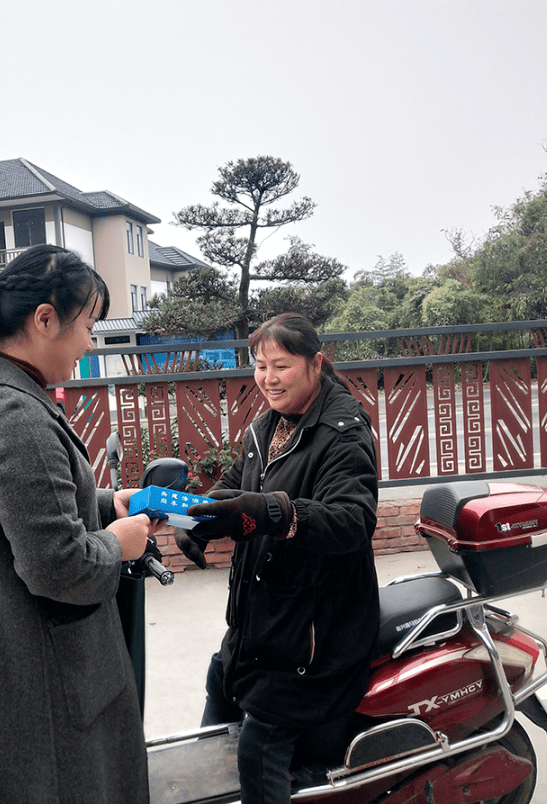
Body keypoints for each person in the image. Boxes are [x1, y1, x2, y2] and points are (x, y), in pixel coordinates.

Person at [0, 244, 165, 803]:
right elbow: (59, 569)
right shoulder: (16, 416)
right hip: (35, 687)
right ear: (45, 319)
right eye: (87, 325)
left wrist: (102, 505)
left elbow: (12, 515)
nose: (89, 343)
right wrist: (118, 542)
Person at [176, 312, 381, 804]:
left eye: (281, 365)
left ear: (316, 364)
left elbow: (351, 522)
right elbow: (237, 487)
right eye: (260, 365)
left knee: (259, 745)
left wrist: (273, 511)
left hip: (315, 636)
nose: (267, 378)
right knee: (219, 682)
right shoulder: (268, 423)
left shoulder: (344, 434)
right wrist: (201, 519)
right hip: (264, 621)